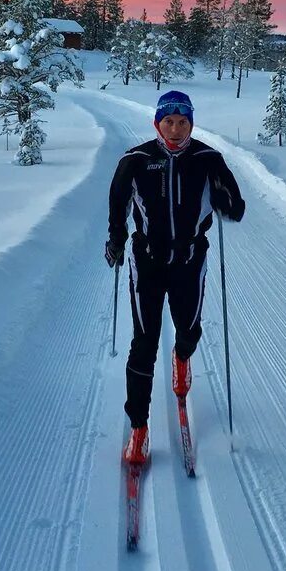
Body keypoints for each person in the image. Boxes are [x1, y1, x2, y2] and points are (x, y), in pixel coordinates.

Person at [105, 90, 246, 464]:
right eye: (169, 120)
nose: (176, 128)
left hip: (189, 259)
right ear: (157, 122)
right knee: (144, 342)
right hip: (146, 261)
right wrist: (116, 240)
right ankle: (138, 429)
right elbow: (117, 202)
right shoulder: (135, 160)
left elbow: (237, 208)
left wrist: (223, 196)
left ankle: (182, 356)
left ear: (191, 123)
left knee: (189, 328)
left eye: (183, 121)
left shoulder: (207, 158)